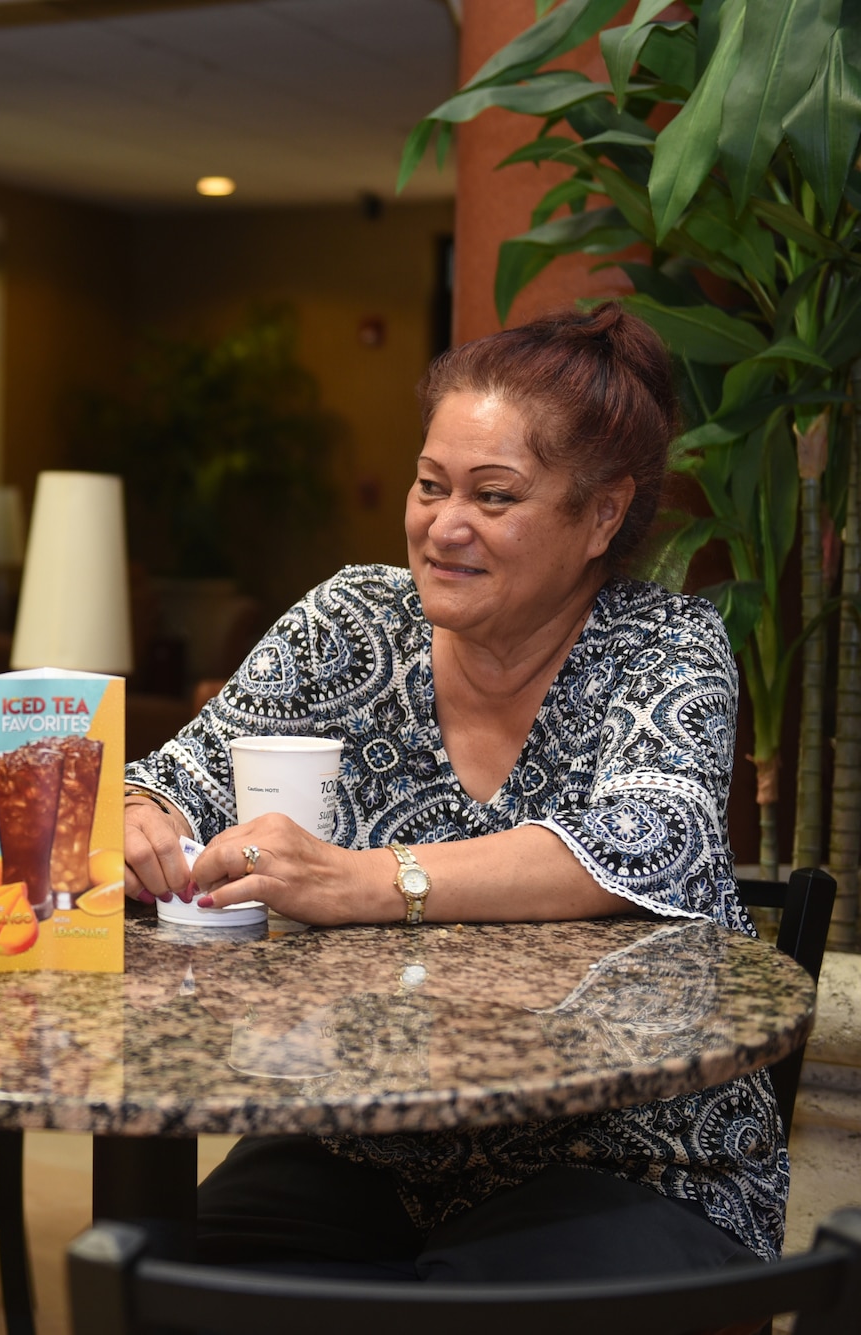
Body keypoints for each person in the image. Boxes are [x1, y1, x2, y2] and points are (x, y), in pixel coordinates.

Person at [122, 302, 784, 1280]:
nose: (443, 526)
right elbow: (167, 782)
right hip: (352, 1132)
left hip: (627, 1154)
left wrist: (365, 881)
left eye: (493, 496)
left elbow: (651, 839)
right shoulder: (347, 621)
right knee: (177, 1285)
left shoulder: (660, 646)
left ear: (600, 513)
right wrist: (140, 819)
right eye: (429, 486)